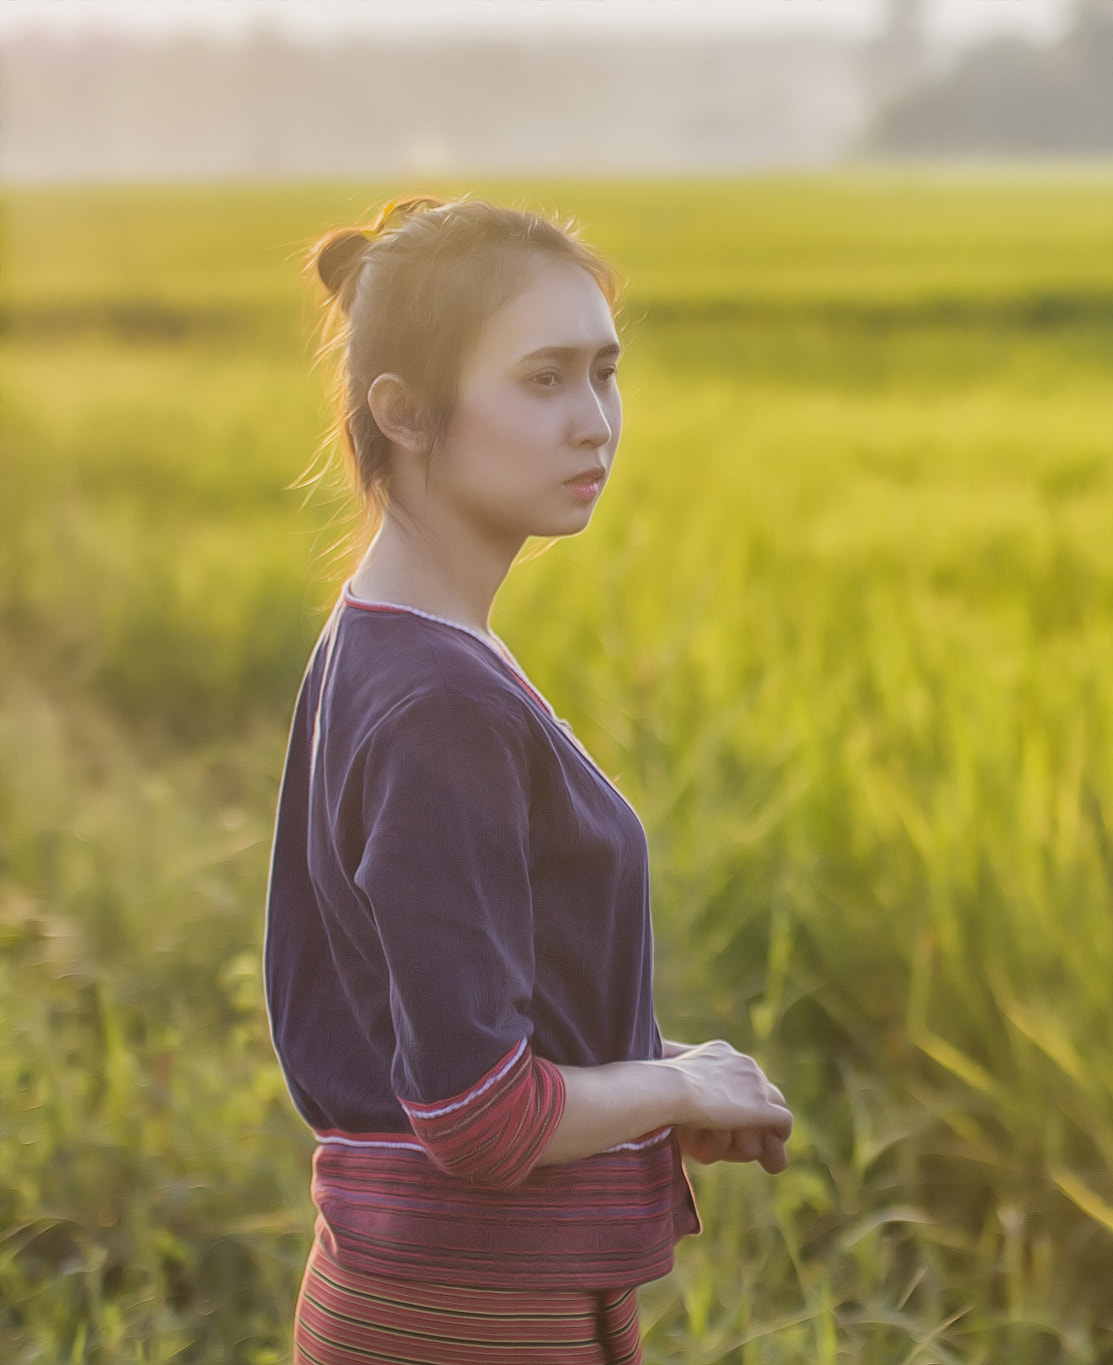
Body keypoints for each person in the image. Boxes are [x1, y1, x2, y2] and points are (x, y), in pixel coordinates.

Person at [264, 196, 793, 1365]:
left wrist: (633, 1088)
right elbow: (479, 1116)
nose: (594, 423)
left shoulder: (393, 634)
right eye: (543, 380)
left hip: (435, 1292)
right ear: (402, 412)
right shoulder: (439, 703)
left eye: (604, 373)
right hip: (469, 1316)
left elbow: (466, 1028)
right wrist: (674, 1087)